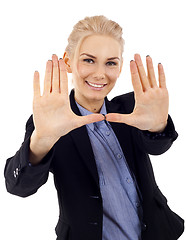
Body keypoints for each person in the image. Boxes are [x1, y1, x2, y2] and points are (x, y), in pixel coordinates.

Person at [4, 15, 184, 240]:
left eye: (110, 62)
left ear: (119, 67)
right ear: (68, 62)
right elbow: (18, 186)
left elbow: (157, 147)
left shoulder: (132, 106)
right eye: (88, 60)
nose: (100, 74)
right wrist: (41, 141)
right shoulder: (50, 121)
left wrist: (159, 126)